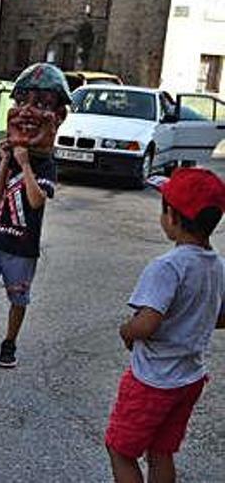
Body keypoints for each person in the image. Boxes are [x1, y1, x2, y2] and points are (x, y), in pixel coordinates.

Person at [105, 168, 225, 483]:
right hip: (190, 379)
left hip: (153, 381)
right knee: (161, 451)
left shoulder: (167, 267)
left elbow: (146, 323)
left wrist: (126, 331)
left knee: (121, 450)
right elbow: (221, 317)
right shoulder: (217, 265)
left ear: (171, 216)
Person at [0, 63, 69, 369]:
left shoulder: (46, 165)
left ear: (59, 117)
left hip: (22, 248)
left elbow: (35, 201)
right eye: (20, 101)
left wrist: (26, 164)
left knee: (18, 299)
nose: (26, 111)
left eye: (42, 104)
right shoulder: (5, 154)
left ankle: (9, 341)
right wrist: (7, 160)